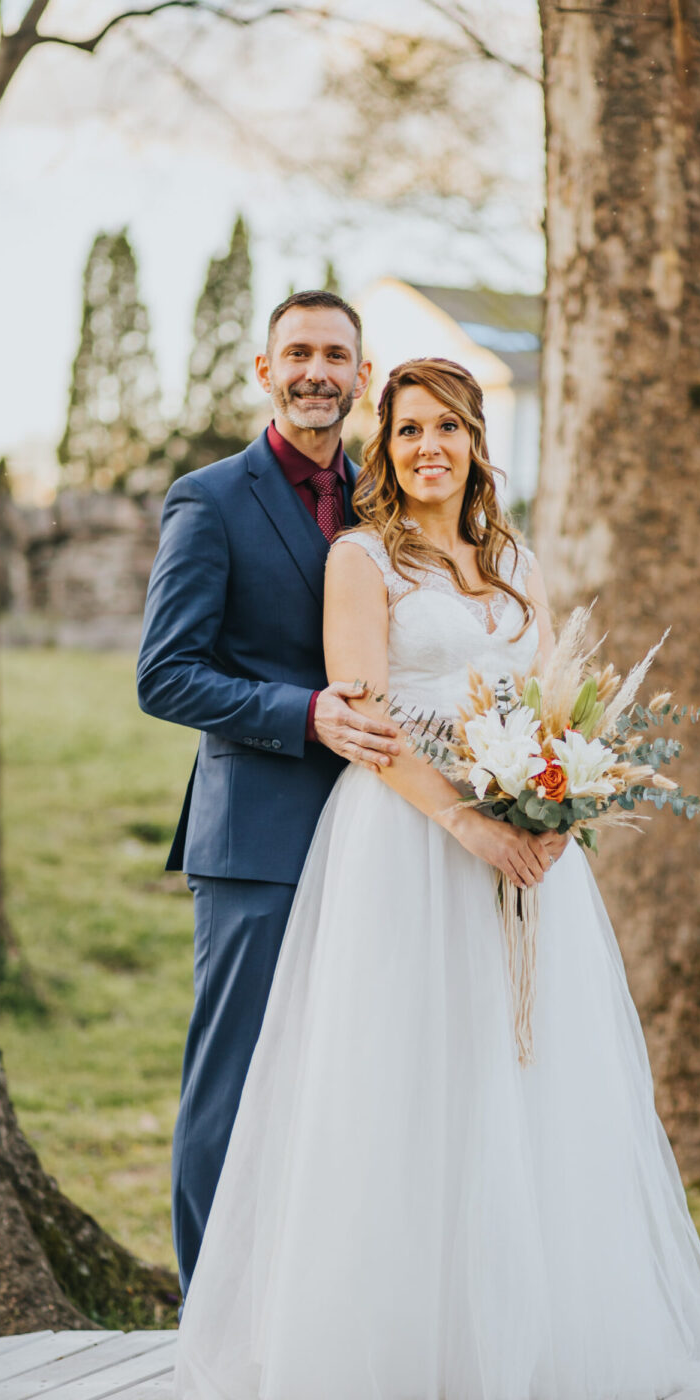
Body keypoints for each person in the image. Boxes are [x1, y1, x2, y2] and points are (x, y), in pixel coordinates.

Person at [173, 356, 700, 1400]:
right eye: (406, 432)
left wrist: (557, 806)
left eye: (446, 428)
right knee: (404, 1077)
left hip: (528, 855)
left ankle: (514, 1336)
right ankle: (395, 1343)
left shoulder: (515, 563)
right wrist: (464, 821)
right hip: (406, 842)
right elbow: (366, 723)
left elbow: (556, 705)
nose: (427, 448)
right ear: (387, 449)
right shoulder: (361, 560)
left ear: (475, 441)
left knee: (517, 1076)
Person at [137, 291, 406, 1300]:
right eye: (298, 352)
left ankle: (308, 1303)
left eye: (336, 355)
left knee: (344, 1079)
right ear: (264, 369)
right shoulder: (208, 499)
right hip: (254, 841)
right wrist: (305, 715)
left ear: (361, 375)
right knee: (233, 1084)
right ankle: (209, 1308)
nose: (317, 371)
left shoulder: (384, 505)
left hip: (377, 835)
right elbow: (165, 674)